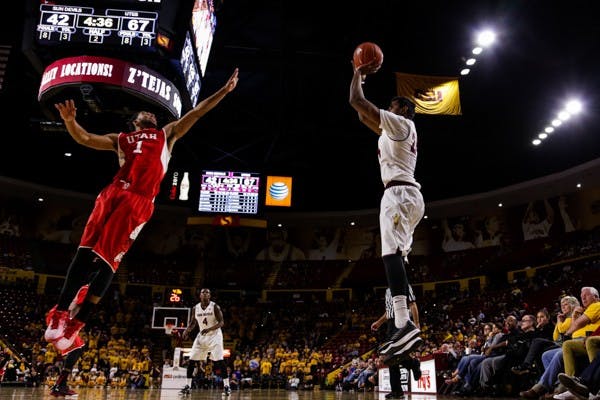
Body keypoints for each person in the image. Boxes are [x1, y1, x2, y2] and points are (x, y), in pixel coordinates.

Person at [43, 69, 239, 352]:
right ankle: (61, 314)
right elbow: (85, 139)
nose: (151, 113)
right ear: (134, 122)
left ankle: (77, 323)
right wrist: (70, 122)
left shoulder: (166, 134)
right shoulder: (120, 139)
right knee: (84, 253)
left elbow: (196, 113)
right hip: (112, 193)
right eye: (144, 112)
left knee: (109, 262)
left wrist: (224, 91)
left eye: (154, 114)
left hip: (138, 201)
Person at [349, 56, 424, 362]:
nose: (388, 109)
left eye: (392, 105)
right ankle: (404, 326)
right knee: (395, 259)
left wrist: (358, 72)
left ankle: (404, 324)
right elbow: (361, 115)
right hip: (404, 195)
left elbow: (356, 100)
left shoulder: (403, 123)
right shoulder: (391, 133)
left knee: (390, 254)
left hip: (399, 194)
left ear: (403, 110)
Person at [371, 286, 421, 400]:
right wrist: (379, 322)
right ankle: (397, 390)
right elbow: (388, 311)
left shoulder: (404, 284)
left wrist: (417, 323)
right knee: (391, 357)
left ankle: (413, 364)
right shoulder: (388, 290)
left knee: (394, 354)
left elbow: (412, 304)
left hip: (401, 321)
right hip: (390, 324)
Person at [180, 288, 231, 396]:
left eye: (207, 292)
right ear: (200, 296)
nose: (205, 294)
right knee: (191, 360)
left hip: (215, 335)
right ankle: (188, 386)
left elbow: (222, 322)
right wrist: (187, 330)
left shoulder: (215, 307)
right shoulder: (196, 308)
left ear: (210, 296)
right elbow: (193, 322)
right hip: (202, 336)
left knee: (219, 361)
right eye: (203, 292)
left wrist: (210, 329)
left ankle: (227, 386)